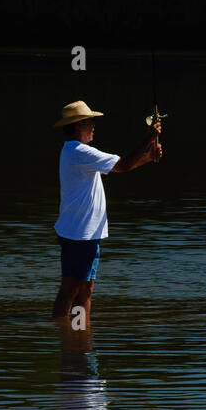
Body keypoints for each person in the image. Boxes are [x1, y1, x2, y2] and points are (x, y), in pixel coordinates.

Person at [51, 99, 162, 323]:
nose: (93, 125)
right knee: (71, 289)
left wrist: (147, 157)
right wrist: (148, 139)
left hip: (85, 234)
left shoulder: (79, 153)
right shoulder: (79, 152)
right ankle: (64, 335)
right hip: (79, 234)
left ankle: (79, 336)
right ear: (78, 125)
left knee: (86, 289)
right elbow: (122, 165)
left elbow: (122, 166)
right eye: (90, 121)